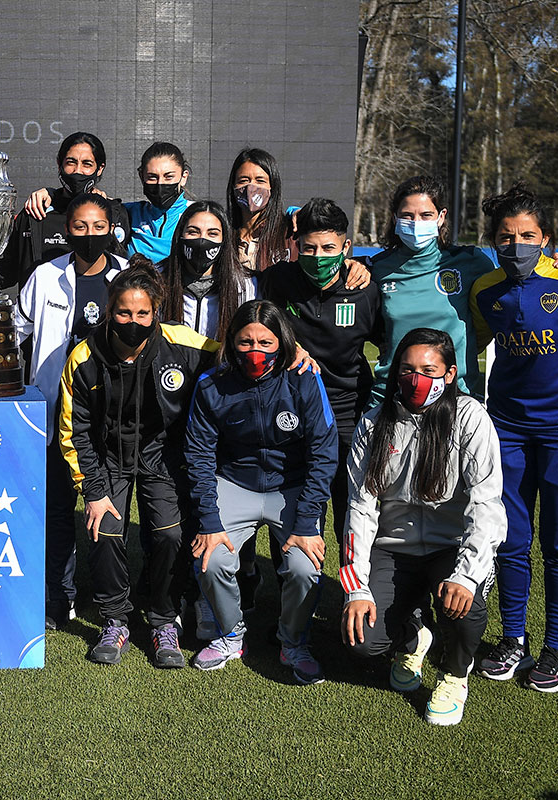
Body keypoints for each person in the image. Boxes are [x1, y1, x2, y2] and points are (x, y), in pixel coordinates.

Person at [59, 259, 218, 666]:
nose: (134, 322)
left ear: (156, 312)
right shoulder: (83, 357)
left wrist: (292, 350)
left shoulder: (183, 344)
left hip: (160, 456)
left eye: (143, 313)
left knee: (169, 535)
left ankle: (164, 620)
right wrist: (93, 492)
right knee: (105, 530)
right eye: (124, 313)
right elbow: (75, 432)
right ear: (109, 311)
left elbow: (236, 350)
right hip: (107, 458)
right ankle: (116, 620)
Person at [343, 328, 505, 725]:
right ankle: (415, 635)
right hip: (393, 548)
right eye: (407, 369)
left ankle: (454, 674)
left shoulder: (469, 418)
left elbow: (486, 504)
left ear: (449, 374)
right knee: (363, 640)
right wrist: (357, 589)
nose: (415, 380)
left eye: (428, 371)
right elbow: (360, 508)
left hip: (450, 546)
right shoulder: (373, 424)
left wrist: (466, 576)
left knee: (464, 607)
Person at [185, 300, 337, 684]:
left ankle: (293, 641)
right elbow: (199, 455)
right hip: (235, 482)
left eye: (266, 343)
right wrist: (209, 521)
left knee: (304, 566)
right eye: (246, 342)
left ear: (282, 342)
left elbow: (324, 452)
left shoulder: (304, 378)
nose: (256, 351)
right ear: (232, 342)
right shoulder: (212, 384)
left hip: (292, 486)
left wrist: (307, 522)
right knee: (211, 559)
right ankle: (231, 634)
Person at [471, 185, 558, 692]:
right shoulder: (485, 290)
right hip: (506, 428)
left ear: (546, 239)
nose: (517, 245)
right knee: (510, 539)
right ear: (494, 242)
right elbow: (474, 342)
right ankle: (513, 639)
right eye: (506, 237)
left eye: (528, 236)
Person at [17, 193, 129, 629]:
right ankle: (59, 596)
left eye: (98, 226)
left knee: (107, 511)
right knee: (58, 509)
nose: (89, 235)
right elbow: (17, 329)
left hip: (110, 415)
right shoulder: (46, 276)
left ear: (111, 230)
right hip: (55, 412)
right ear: (67, 230)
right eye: (80, 227)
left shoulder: (127, 276)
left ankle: (110, 598)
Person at [259, 197, 383, 545]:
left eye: (328, 248)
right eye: (309, 248)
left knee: (351, 509)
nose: (318, 257)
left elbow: (387, 346)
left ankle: (351, 579)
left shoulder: (365, 290)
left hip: (347, 412)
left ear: (346, 247)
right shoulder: (277, 281)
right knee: (293, 503)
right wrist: (288, 345)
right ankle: (292, 577)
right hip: (292, 408)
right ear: (297, 246)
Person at [367, 175, 494, 402]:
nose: (416, 222)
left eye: (426, 215)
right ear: (395, 218)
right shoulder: (376, 269)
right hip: (393, 396)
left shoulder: (471, 262)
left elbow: (518, 281)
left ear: (441, 217)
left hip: (455, 396)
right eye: (407, 215)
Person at [0, 132, 132, 291]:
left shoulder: (115, 214)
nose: (77, 171)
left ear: (100, 168)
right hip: (39, 304)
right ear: (59, 164)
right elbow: (5, 273)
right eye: (71, 162)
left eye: (87, 164)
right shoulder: (35, 212)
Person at [159, 200, 256, 339]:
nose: (202, 240)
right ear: (180, 235)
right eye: (193, 232)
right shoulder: (158, 278)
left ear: (224, 240)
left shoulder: (246, 285)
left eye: (212, 234)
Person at [226, 148, 295, 273]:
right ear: (233, 186)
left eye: (260, 181)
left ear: (272, 187)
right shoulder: (222, 233)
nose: (251, 187)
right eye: (244, 180)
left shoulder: (289, 234)